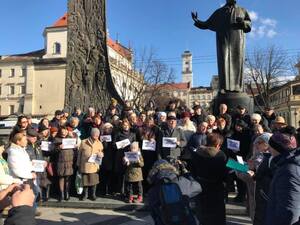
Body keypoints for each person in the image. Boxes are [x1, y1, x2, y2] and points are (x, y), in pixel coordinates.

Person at [192, 0, 251, 92]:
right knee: (223, 61)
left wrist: (243, 23)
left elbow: (249, 24)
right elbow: (207, 24)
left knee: (237, 61)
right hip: (223, 40)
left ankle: (237, 87)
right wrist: (196, 20)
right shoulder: (219, 12)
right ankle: (224, 87)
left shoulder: (242, 10)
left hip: (237, 40)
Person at [147, 159, 202, 225]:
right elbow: (198, 187)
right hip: (186, 222)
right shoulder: (182, 181)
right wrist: (186, 172)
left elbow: (154, 215)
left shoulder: (152, 191)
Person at [190, 133, 227, 225]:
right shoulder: (220, 155)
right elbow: (223, 174)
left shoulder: (197, 152)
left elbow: (192, 169)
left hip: (200, 184)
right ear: (218, 145)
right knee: (216, 214)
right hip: (216, 187)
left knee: (202, 210)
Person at [265, 131, 300, 225]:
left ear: (278, 149)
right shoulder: (285, 165)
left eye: (270, 146)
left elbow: (289, 212)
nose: (268, 149)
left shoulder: (288, 171)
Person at [77, 128, 104, 201]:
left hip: (94, 165)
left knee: (94, 180)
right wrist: (78, 164)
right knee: (85, 180)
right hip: (85, 164)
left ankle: (93, 194)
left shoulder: (99, 143)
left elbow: (101, 152)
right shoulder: (83, 142)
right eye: (95, 134)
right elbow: (79, 154)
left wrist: (101, 154)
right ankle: (85, 195)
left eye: (98, 134)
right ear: (92, 134)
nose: (96, 136)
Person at [53, 126, 74, 201]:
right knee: (61, 177)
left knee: (68, 178)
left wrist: (75, 146)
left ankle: (67, 193)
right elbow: (53, 151)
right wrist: (59, 147)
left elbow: (75, 149)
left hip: (69, 161)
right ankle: (61, 194)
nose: (63, 132)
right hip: (61, 161)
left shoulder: (71, 138)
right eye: (62, 131)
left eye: (65, 131)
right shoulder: (56, 139)